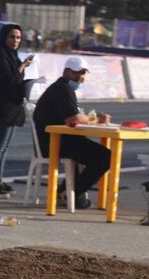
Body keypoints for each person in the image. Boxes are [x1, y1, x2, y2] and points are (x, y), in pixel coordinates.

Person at [33, 56, 111, 209]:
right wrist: (92, 118)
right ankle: (70, 193)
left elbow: (75, 117)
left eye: (83, 73)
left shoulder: (62, 87)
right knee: (106, 157)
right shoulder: (63, 89)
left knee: (89, 152)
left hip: (59, 140)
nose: (81, 77)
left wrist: (88, 118)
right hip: (54, 143)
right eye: (77, 73)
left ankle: (66, 192)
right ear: (67, 72)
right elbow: (73, 117)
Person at [0, 24, 34, 199]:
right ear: (4, 37)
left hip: (12, 105)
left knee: (5, 147)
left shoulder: (12, 55)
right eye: (12, 37)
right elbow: (7, 79)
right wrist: (22, 67)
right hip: (1, 105)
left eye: (18, 37)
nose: (15, 41)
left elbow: (15, 79)